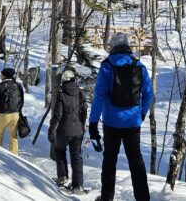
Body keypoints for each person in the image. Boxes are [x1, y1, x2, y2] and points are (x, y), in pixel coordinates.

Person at [88, 32, 153, 201]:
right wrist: (142, 114)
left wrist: (93, 123)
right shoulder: (139, 66)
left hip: (111, 123)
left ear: (112, 46)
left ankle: (106, 198)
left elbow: (99, 96)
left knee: (109, 161)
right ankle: (143, 198)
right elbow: (148, 95)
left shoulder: (107, 66)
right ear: (127, 46)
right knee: (136, 161)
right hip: (132, 122)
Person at [48, 68, 87, 193]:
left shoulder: (61, 95)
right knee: (76, 157)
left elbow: (57, 115)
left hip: (64, 131)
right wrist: (82, 124)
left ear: (63, 81)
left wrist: (52, 129)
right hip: (78, 131)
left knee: (59, 151)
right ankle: (78, 185)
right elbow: (84, 111)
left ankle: (62, 177)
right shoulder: (80, 93)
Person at [0, 67, 24, 155]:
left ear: (5, 76)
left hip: (3, 115)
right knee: (13, 137)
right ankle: (14, 157)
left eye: (1, 74)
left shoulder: (1, 86)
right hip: (15, 114)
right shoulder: (18, 85)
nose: (0, 76)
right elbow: (22, 100)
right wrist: (18, 112)